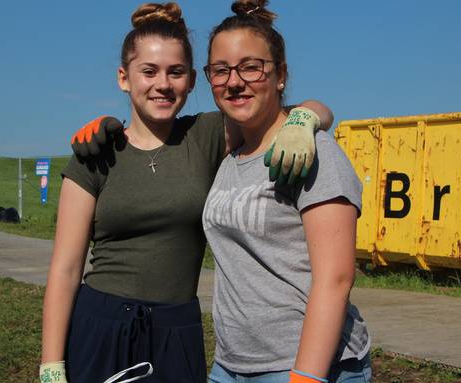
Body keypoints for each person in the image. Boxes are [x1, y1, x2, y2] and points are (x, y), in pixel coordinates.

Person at [40, 3, 333, 383]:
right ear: (123, 78)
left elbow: (296, 109)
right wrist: (50, 364)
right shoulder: (95, 153)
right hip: (101, 325)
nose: (163, 84)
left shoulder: (208, 134)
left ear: (193, 80)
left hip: (175, 331)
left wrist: (304, 120)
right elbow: (64, 270)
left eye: (175, 72)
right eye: (148, 71)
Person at [201, 1, 372, 382]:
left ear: (280, 75)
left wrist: (306, 376)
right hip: (231, 366)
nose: (234, 81)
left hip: (304, 365)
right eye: (220, 70)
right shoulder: (230, 153)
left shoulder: (313, 151)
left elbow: (337, 278)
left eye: (251, 67)